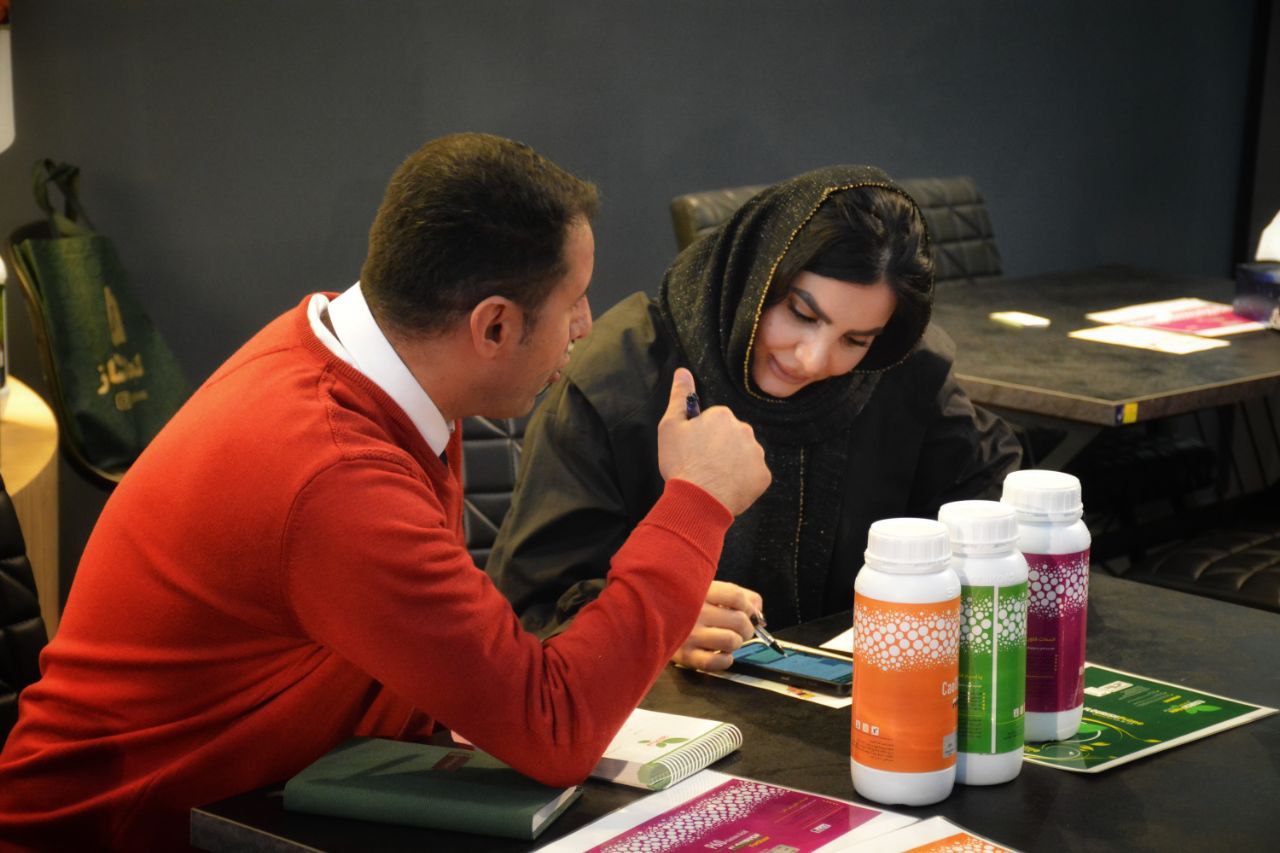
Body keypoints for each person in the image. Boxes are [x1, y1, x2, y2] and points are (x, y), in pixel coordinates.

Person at [0, 133, 771, 850]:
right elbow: (555, 728)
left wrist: (634, 622)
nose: (585, 325)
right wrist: (696, 503)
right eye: (573, 299)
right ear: (493, 328)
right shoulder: (336, 472)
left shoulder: (366, 363)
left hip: (262, 804)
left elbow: (457, 659)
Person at [487, 165, 1022, 671]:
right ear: (755, 275)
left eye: (854, 340)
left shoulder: (900, 370)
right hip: (662, 711)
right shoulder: (621, 377)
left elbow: (993, 506)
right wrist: (649, 621)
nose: (812, 359)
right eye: (802, 314)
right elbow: (530, 609)